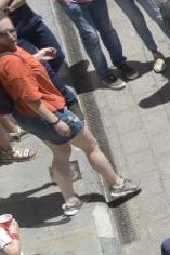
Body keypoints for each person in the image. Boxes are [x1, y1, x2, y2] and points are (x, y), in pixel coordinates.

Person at [0, 16, 139, 215]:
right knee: (91, 146)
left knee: (61, 153)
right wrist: (56, 121)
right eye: (2, 34)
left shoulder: (8, 52)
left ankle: (71, 201)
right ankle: (117, 185)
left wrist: (37, 57)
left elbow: (22, 69)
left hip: (29, 118)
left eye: (11, 30)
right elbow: (31, 98)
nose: (10, 36)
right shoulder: (11, 64)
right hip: (47, 113)